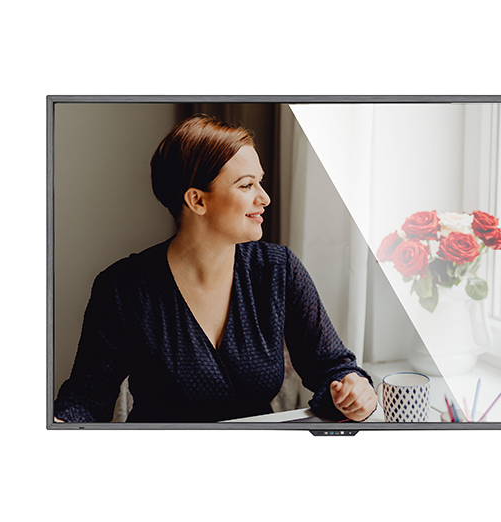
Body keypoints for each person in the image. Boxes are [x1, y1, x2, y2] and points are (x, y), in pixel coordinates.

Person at [53, 114, 378, 423]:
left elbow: (333, 368)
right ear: (197, 200)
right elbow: (86, 399)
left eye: (260, 182)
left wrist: (353, 389)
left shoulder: (278, 270)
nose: (264, 198)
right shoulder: (124, 289)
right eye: (246, 185)